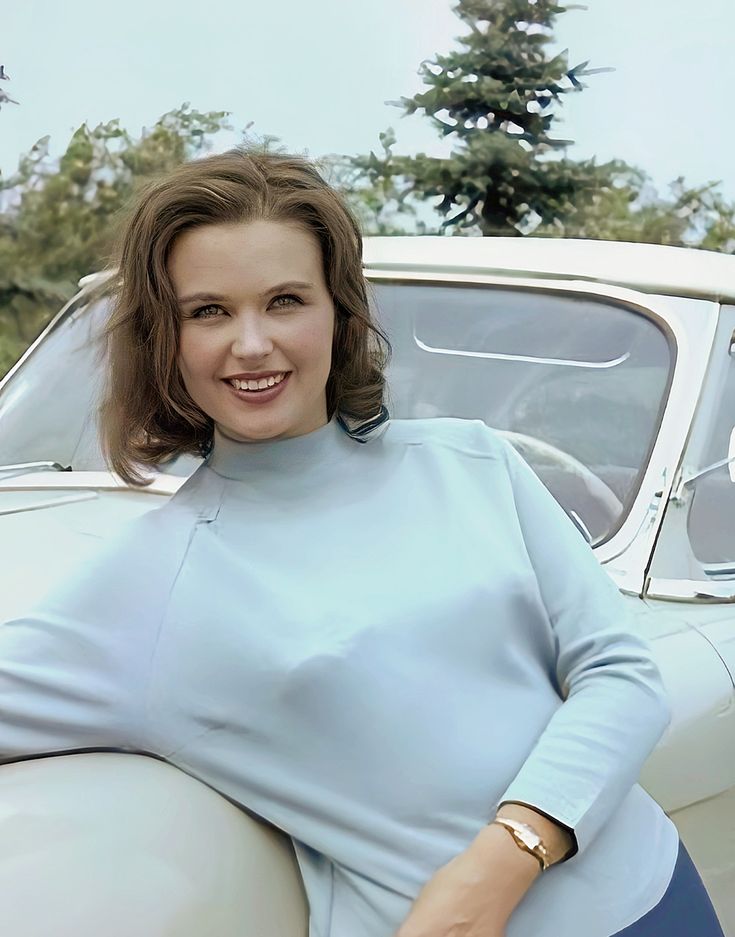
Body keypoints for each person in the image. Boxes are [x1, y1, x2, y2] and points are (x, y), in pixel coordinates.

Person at [0, 147, 725, 937]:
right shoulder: (147, 579)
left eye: (285, 300)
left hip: (654, 894)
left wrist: (501, 859)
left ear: (337, 311)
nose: (252, 344)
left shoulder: (471, 461)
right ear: (164, 339)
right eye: (207, 311)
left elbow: (621, 674)